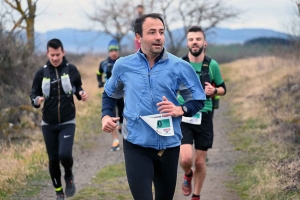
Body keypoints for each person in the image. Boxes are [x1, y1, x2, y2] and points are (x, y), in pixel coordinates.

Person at [101, 13, 206, 200]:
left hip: (169, 145)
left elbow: (198, 99)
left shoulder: (179, 66)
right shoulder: (123, 66)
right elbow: (109, 94)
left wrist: (180, 109)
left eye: (161, 32)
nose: (158, 36)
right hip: (136, 144)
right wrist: (106, 116)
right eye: (152, 32)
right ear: (138, 37)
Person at [30, 38, 87, 200]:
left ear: (63, 53)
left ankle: (68, 175)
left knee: (65, 154)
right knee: (53, 159)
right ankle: (59, 191)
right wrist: (36, 101)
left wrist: (81, 94)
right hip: (48, 123)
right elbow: (33, 94)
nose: (55, 58)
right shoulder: (41, 73)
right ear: (47, 54)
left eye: (58, 55)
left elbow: (78, 88)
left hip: (67, 121)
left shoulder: (71, 70)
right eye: (52, 55)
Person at [177, 26, 227, 200]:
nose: (194, 42)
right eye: (191, 39)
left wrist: (214, 91)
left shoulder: (211, 65)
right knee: (185, 160)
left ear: (204, 42)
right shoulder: (180, 64)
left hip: (204, 116)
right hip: (184, 114)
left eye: (198, 39)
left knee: (199, 162)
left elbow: (223, 89)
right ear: (187, 43)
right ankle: (187, 175)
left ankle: (196, 196)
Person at [97, 39, 124, 151]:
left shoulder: (123, 62)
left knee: (122, 115)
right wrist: (100, 82)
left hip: (122, 94)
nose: (113, 53)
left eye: (115, 50)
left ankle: (121, 125)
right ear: (109, 51)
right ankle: (115, 140)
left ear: (118, 51)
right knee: (111, 117)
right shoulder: (103, 63)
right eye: (111, 50)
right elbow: (99, 73)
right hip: (110, 94)